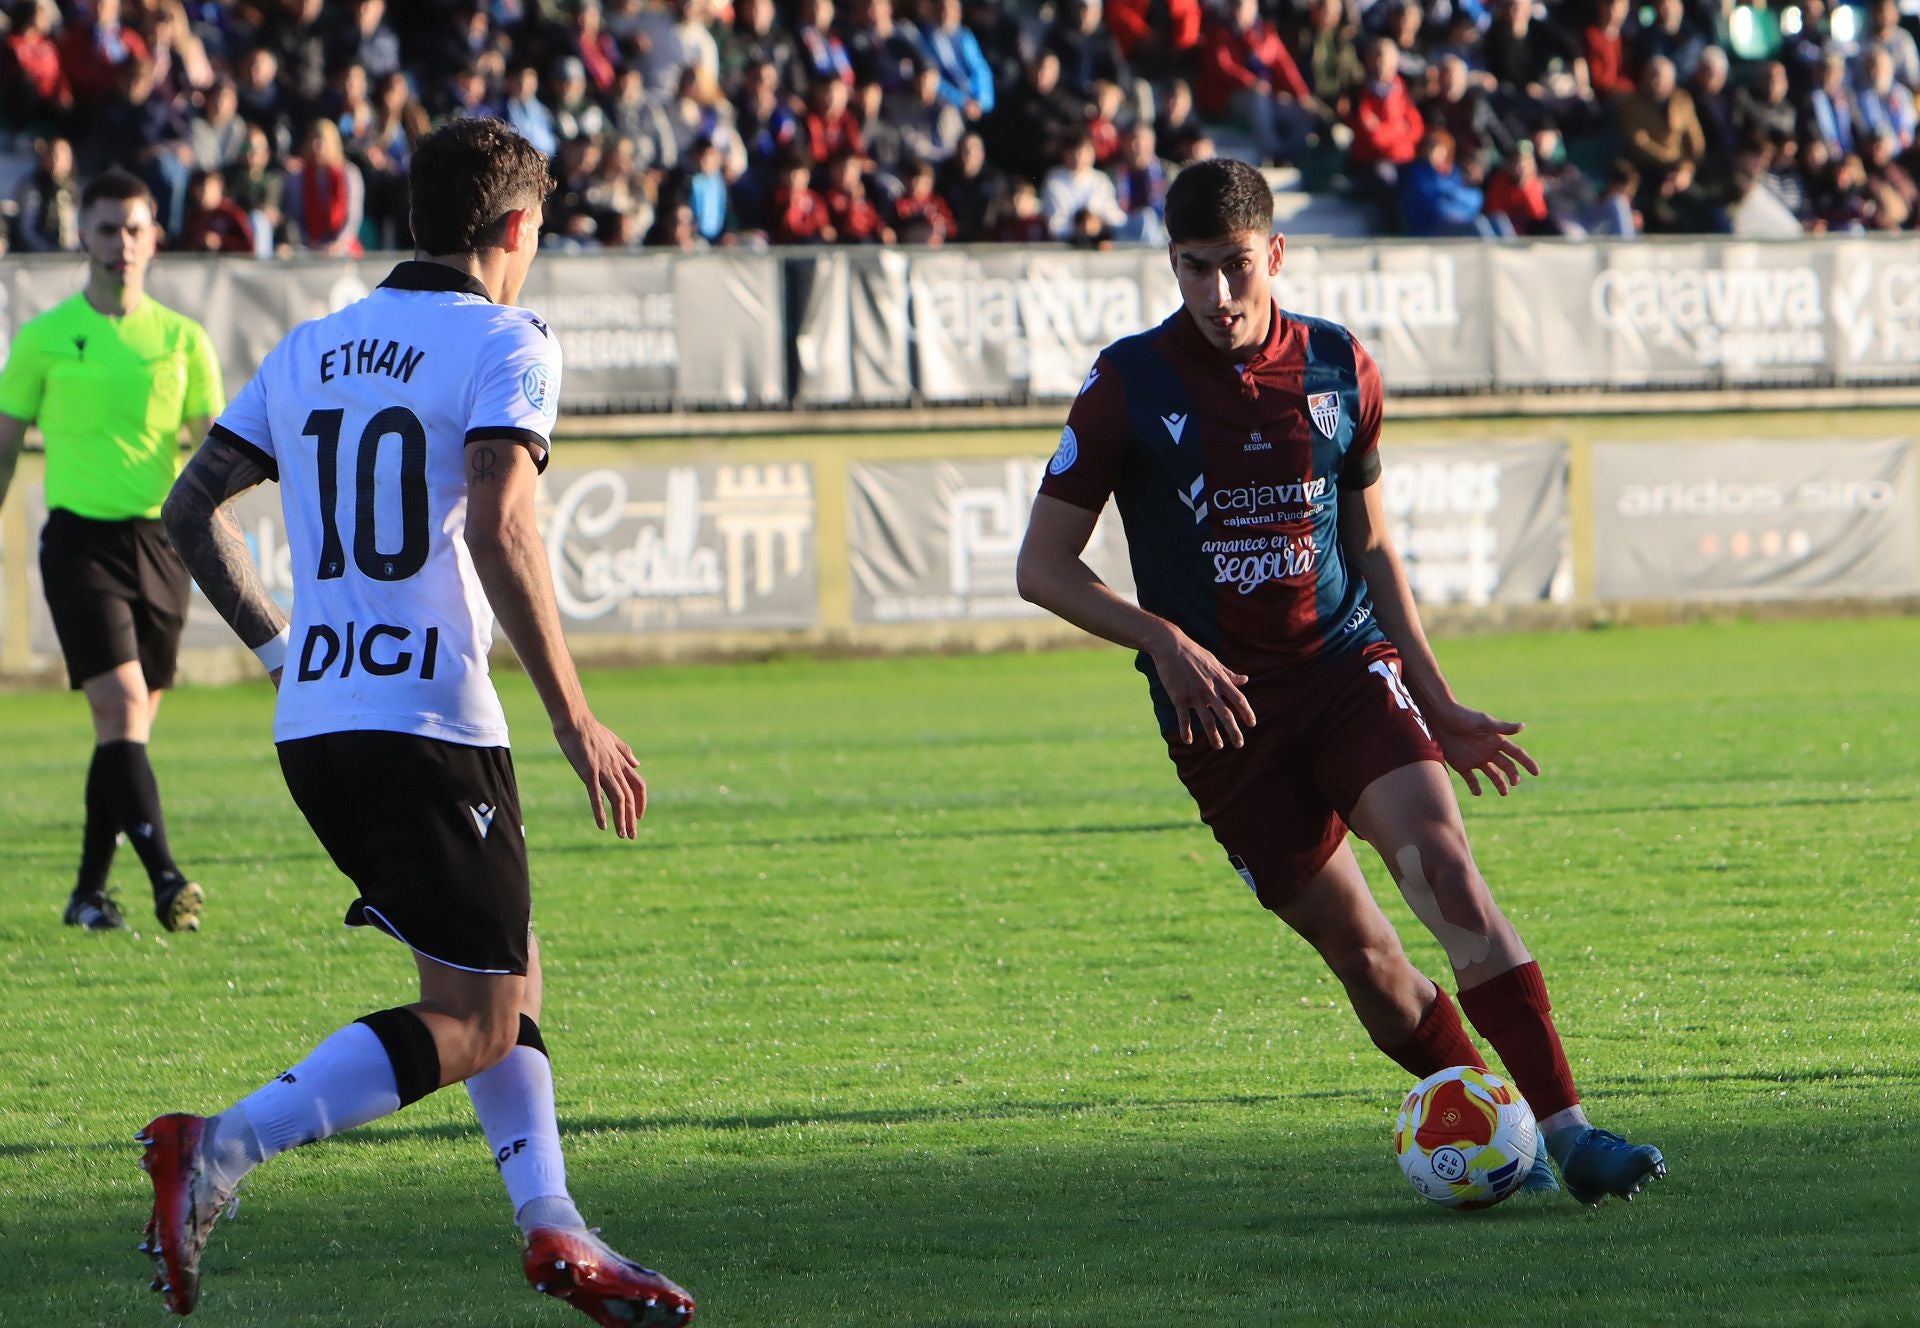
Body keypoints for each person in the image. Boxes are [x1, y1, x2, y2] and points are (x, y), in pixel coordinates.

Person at [1014, 157, 1667, 1209]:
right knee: (1365, 957)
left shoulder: (1336, 366)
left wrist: (1437, 694)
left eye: (1235, 267)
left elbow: (1369, 543)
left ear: (1274, 253)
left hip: (1344, 669)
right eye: (1194, 271)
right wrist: (1163, 640)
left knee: (1445, 870)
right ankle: (1501, 1128)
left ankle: (1572, 1130)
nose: (1218, 296)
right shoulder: (1128, 383)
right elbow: (1041, 568)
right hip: (1221, 719)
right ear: (1170, 264)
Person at [143, 118, 695, 1326]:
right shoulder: (508, 337)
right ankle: (220, 1145)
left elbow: (190, 514)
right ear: (512, 230)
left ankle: (553, 1220)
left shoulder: (314, 343)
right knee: (481, 1016)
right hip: (430, 716)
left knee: (507, 965)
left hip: (320, 720)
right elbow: (502, 521)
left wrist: (288, 649)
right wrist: (576, 715)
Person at [0, 168, 220, 934]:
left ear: (154, 237)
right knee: (124, 709)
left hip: (163, 549)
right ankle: (166, 880)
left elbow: (210, 457)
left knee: (123, 735)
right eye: (105, 228)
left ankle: (88, 894)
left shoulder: (185, 340)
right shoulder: (42, 338)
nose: (120, 243)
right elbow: (3, 450)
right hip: (79, 544)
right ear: (81, 236)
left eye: (133, 228)